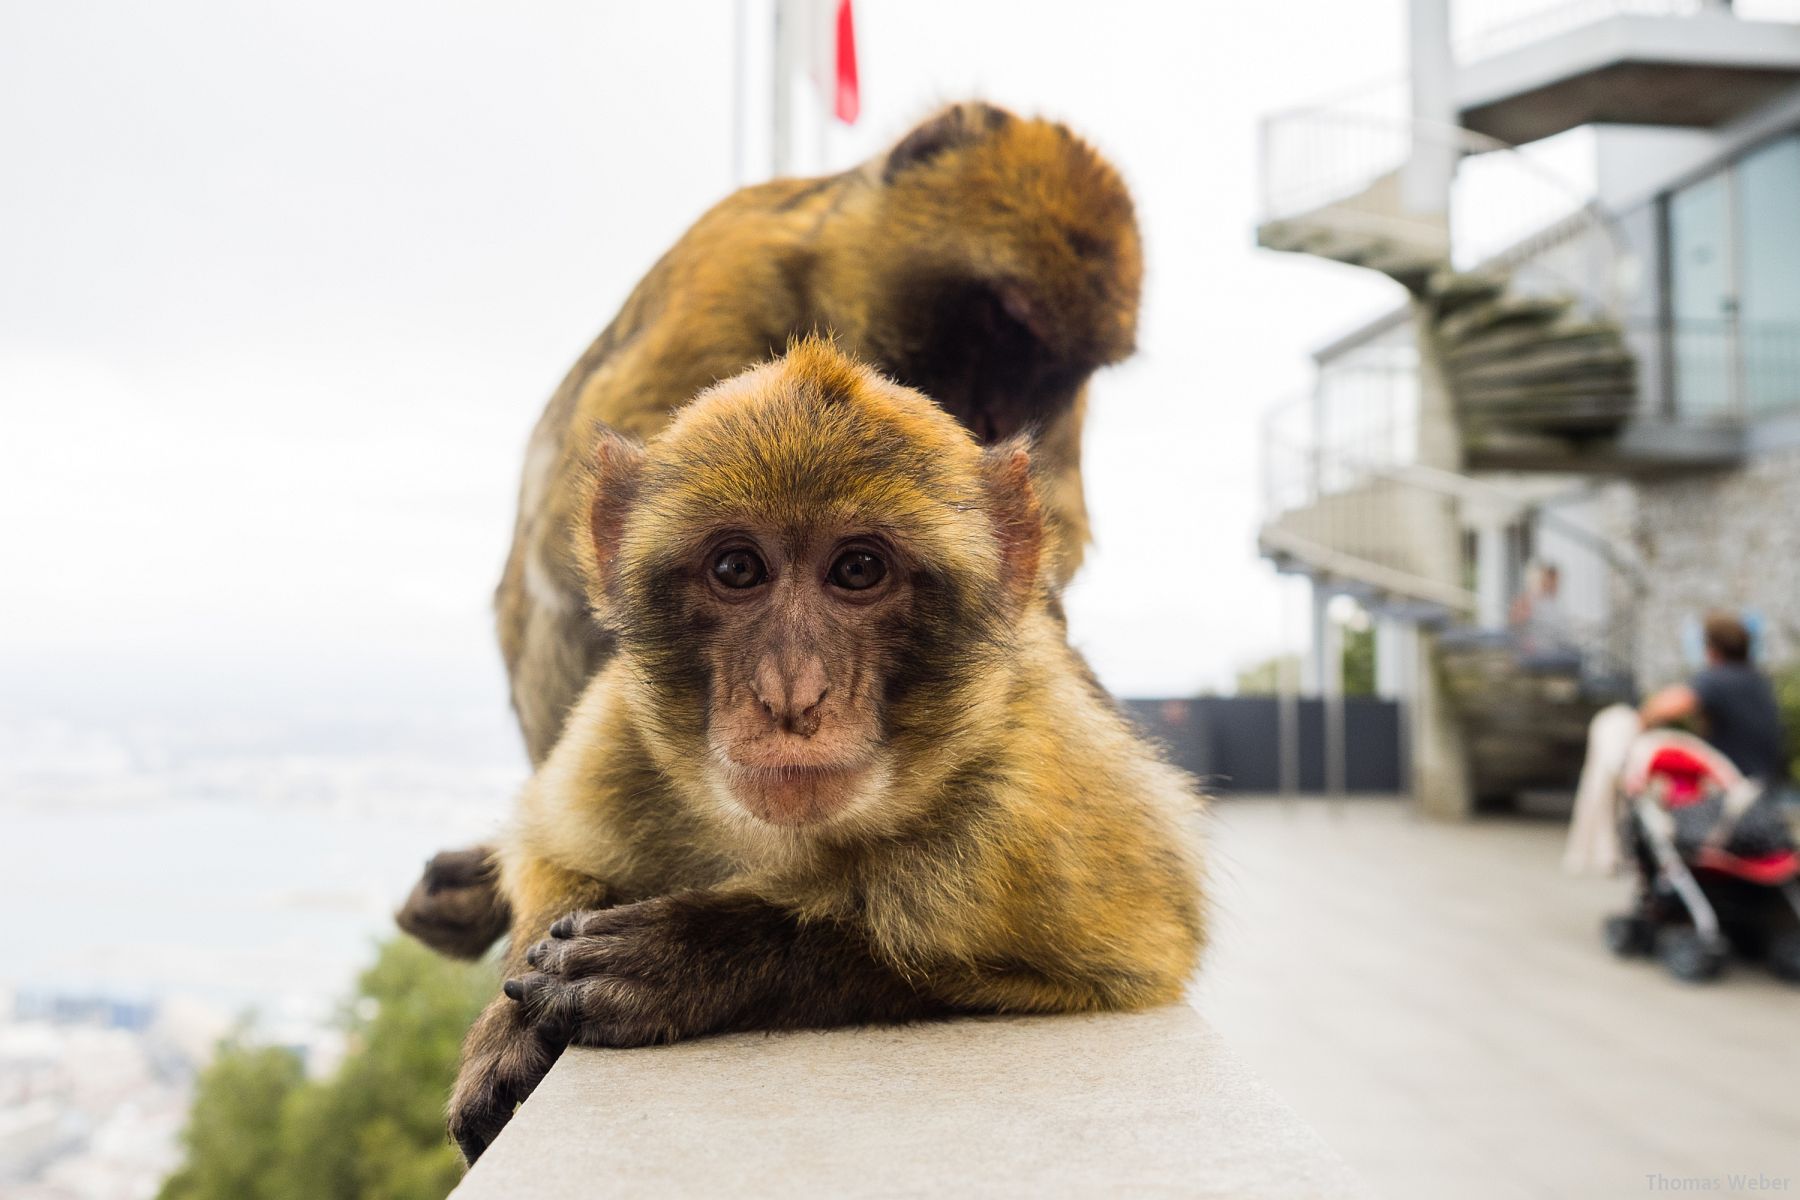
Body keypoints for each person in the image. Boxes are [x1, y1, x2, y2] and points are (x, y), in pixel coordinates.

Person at [1563, 612, 1786, 874]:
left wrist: (1637, 723)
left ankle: (1657, 883)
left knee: (1655, 805)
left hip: (1729, 793)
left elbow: (1670, 704)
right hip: (1762, 789)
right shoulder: (1757, 681)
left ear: (1712, 650)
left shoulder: (1717, 679)